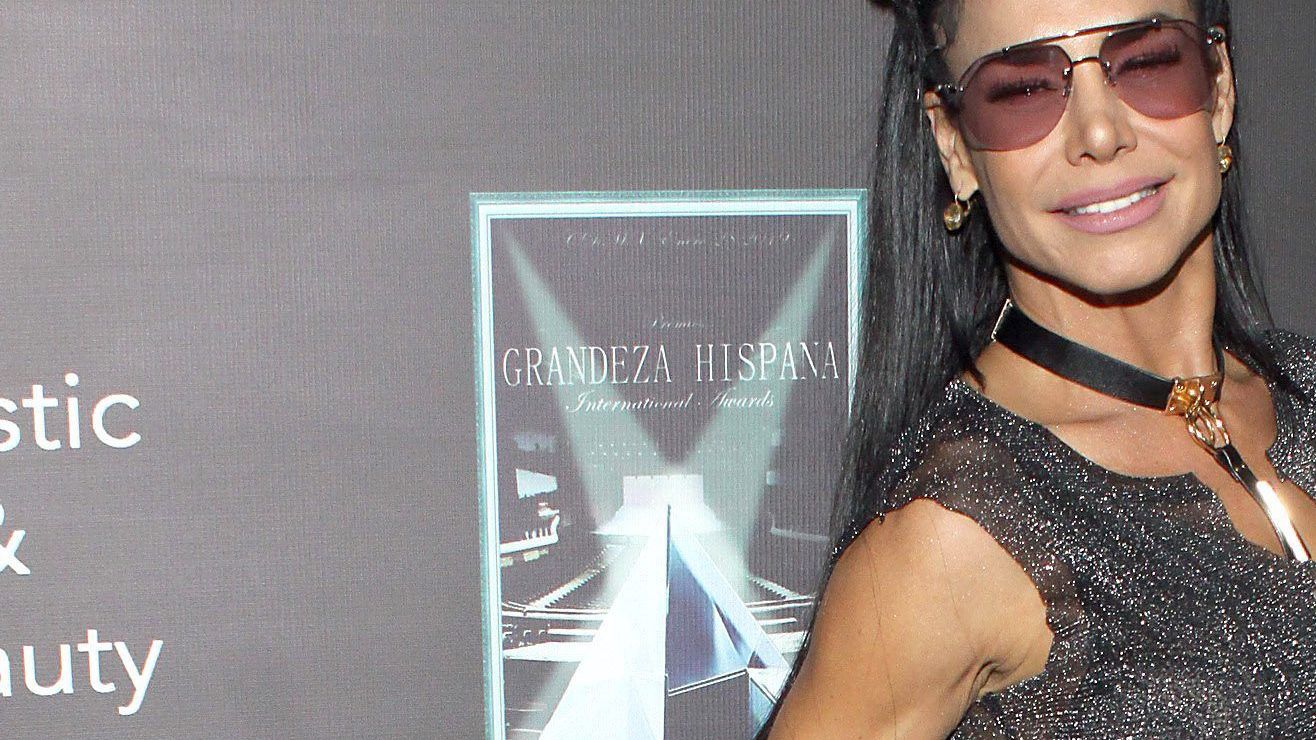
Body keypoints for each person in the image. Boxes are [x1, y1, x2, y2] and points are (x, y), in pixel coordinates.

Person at [756, 0, 1316, 737]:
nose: (1100, 134)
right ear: (955, 146)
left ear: (1219, 88)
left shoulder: (1304, 386)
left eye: (1148, 62)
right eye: (1022, 90)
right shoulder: (954, 535)